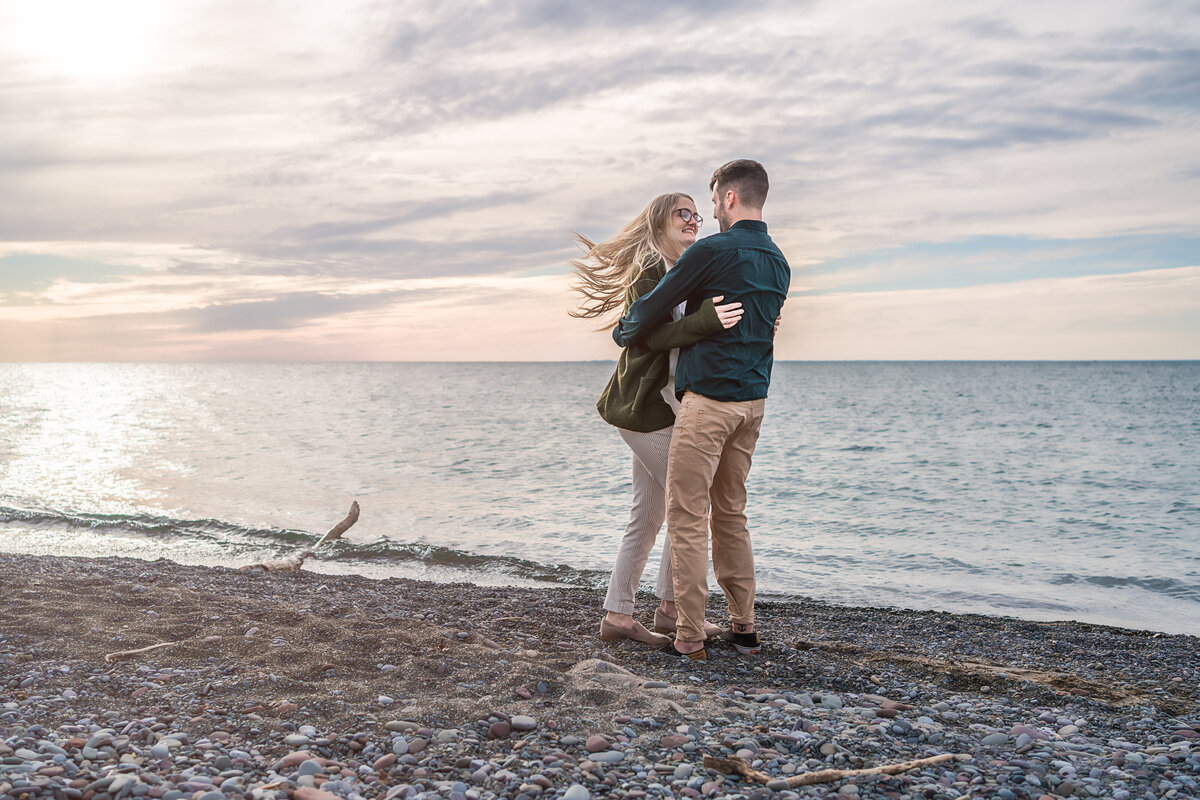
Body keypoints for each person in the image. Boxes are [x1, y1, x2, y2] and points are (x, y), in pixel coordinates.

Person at [612, 160, 790, 661]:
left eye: (712, 202)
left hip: (709, 404)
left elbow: (648, 309)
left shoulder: (714, 250)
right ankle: (744, 625)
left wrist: (626, 331)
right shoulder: (778, 260)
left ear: (729, 198)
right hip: (753, 405)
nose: (709, 213)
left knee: (687, 515)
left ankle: (687, 632)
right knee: (732, 514)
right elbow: (764, 326)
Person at [571, 192, 745, 645]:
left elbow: (698, 328)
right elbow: (639, 337)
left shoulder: (683, 272)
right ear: (660, 222)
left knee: (649, 515)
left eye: (696, 214)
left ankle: (620, 616)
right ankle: (669, 608)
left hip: (664, 406)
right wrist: (706, 322)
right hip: (643, 407)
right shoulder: (649, 269)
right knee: (691, 500)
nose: (692, 220)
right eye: (682, 213)